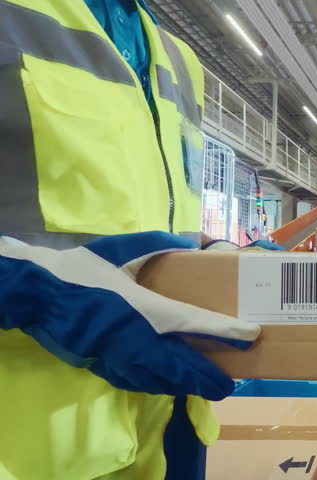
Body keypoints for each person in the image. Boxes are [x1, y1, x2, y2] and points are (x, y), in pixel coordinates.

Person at [0, 1, 264, 478]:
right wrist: (38, 293)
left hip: (169, 426)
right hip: (32, 446)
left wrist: (210, 254)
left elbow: (140, 208)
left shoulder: (178, 59)